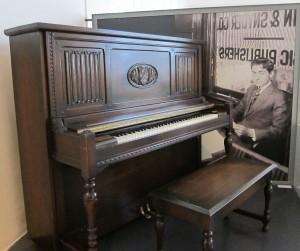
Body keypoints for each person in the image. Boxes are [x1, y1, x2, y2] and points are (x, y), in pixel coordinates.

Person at [232, 58, 290, 164]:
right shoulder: (251, 89)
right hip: (236, 134)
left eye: (261, 73)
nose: (256, 77)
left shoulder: (279, 96)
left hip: (256, 143)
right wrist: (228, 120)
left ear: (271, 73)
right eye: (254, 73)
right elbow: (238, 109)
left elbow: (279, 130)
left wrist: (251, 132)